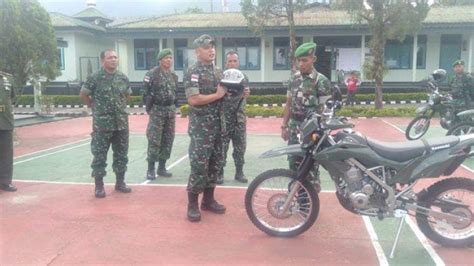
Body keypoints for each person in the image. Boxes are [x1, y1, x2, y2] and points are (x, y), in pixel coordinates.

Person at [184, 34, 227, 222]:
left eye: (212, 47)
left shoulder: (219, 72)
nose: (211, 50)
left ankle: (208, 200)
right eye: (206, 47)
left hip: (219, 125)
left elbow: (225, 94)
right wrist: (217, 95)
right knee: (199, 164)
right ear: (197, 51)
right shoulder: (193, 72)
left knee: (216, 163)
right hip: (202, 127)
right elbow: (193, 99)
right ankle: (192, 204)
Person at [80, 49, 132, 198]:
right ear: (103, 60)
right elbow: (83, 95)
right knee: (99, 155)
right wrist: (94, 106)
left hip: (121, 124)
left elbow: (127, 95)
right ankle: (99, 186)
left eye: (116, 57)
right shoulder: (95, 78)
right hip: (102, 124)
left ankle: (120, 182)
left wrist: (120, 107)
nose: (114, 60)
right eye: (110, 58)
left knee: (121, 154)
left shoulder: (123, 77)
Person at [280, 42, 331, 192]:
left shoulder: (321, 81)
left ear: (313, 59)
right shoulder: (293, 79)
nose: (301, 64)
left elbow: (325, 110)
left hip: (311, 131)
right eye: (298, 60)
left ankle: (310, 201)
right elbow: (288, 104)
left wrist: (320, 133)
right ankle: (297, 197)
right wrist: (284, 126)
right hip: (294, 127)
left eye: (304, 60)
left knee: (310, 166)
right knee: (293, 162)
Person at [216, 50, 250, 184]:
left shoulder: (243, 77)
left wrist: (247, 94)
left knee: (240, 146)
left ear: (238, 62)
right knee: (222, 146)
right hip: (224, 117)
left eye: (235, 61)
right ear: (225, 63)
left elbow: (245, 93)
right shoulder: (220, 77)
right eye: (230, 61)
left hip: (239, 117)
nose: (232, 63)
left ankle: (239, 172)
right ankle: (219, 173)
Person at [143, 48, 178, 180]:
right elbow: (145, 92)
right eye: (166, 58)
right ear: (160, 60)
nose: (169, 60)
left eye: (170, 58)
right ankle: (150, 168)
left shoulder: (173, 75)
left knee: (168, 139)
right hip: (157, 110)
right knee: (154, 139)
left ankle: (162, 167)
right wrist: (149, 108)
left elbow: (175, 93)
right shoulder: (152, 74)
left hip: (170, 111)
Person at [0, 71, 17, 192]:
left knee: (6, 154)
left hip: (5, 121)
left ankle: (5, 182)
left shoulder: (8, 78)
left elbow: (12, 98)